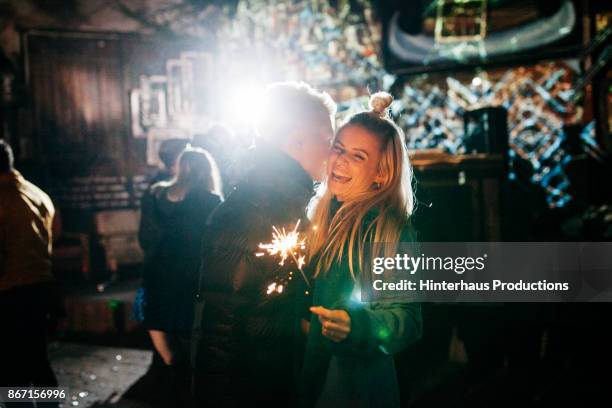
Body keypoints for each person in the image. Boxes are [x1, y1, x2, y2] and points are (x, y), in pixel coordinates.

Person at [192, 82, 336, 406]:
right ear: (298, 139)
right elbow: (220, 330)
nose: (332, 152)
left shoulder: (285, 204)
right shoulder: (254, 211)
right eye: (327, 140)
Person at [299, 93, 423, 408]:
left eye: (358, 156)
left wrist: (356, 326)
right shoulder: (316, 216)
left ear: (382, 173)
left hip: (353, 386)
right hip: (305, 379)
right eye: (338, 149)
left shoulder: (386, 230)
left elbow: (407, 320)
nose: (340, 161)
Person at [136, 147, 223, 407]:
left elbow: (145, 238)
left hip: (156, 280)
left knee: (165, 355)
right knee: (191, 353)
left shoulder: (155, 195)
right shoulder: (212, 201)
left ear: (179, 168)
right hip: (191, 282)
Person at [0, 139, 61, 407]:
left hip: (10, 291)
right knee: (38, 359)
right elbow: (53, 239)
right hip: (41, 288)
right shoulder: (38, 195)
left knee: (13, 367)